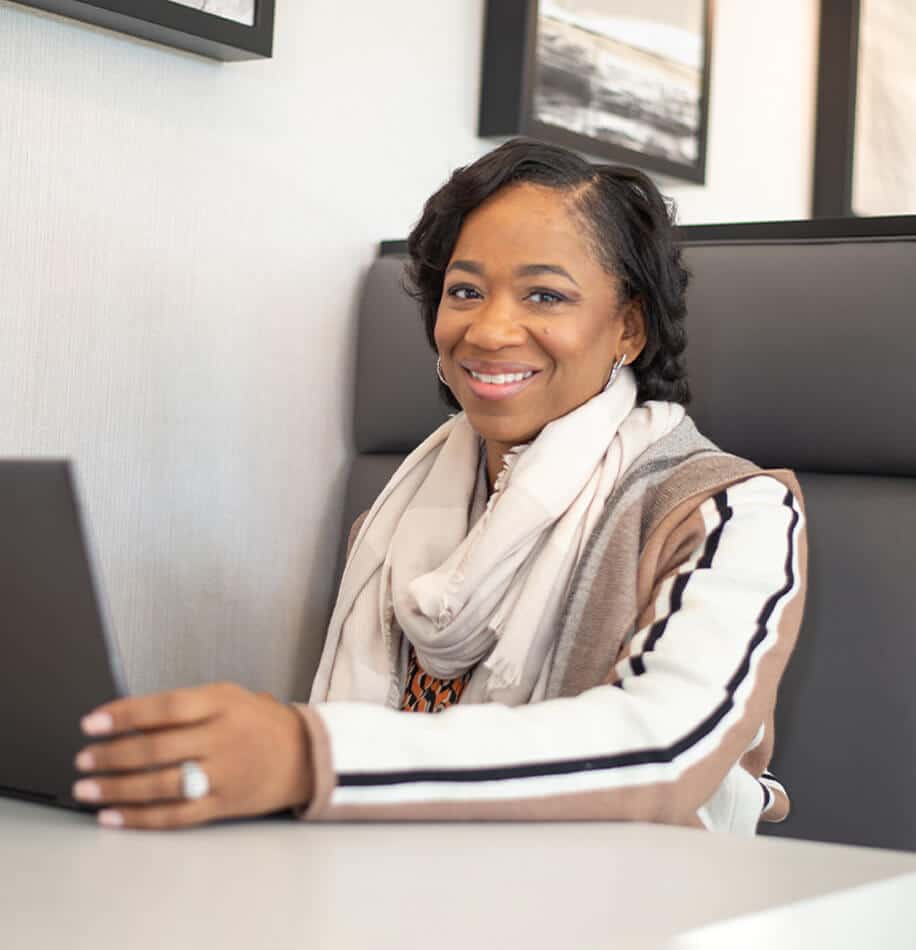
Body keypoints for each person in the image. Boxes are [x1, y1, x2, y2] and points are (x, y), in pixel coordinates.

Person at [71, 139, 807, 832]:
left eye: (544, 296)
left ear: (629, 330)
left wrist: (309, 755)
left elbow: (665, 747)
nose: (487, 331)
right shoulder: (394, 526)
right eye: (465, 291)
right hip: (390, 890)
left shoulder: (731, 513)